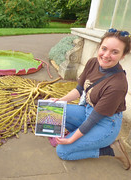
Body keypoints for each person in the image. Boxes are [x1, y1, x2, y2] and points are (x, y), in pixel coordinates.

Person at [50, 29, 131, 170]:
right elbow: (79, 90)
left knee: (63, 151)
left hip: (105, 124)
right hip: (88, 111)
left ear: (123, 55)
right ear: (99, 47)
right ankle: (86, 139)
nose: (106, 55)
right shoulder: (93, 63)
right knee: (55, 111)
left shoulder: (117, 84)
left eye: (114, 52)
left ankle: (111, 149)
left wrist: (71, 139)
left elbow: (93, 119)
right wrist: (59, 101)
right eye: (104, 48)